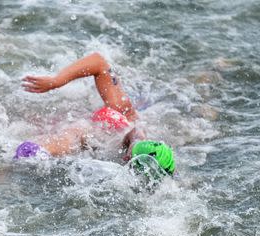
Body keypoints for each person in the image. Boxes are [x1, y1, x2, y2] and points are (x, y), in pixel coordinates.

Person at [17, 52, 175, 176]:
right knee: (80, 132)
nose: (126, 159)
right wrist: (56, 81)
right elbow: (98, 61)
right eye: (130, 158)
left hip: (67, 122)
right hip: (67, 120)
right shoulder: (120, 113)